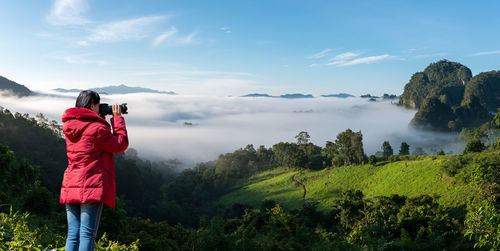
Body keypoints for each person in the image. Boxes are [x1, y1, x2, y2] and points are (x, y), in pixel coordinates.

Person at [60, 90, 128, 251]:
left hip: (71, 184)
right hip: (91, 185)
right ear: (92, 105)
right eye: (98, 105)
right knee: (87, 234)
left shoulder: (69, 126)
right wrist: (117, 118)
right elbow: (120, 144)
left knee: (73, 234)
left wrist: (99, 117)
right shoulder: (97, 129)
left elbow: (89, 138)